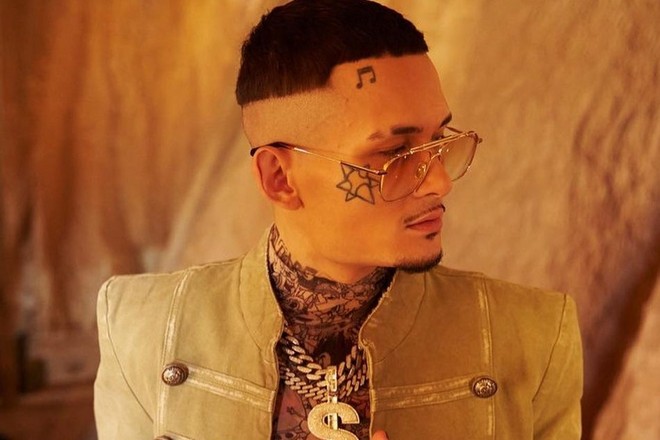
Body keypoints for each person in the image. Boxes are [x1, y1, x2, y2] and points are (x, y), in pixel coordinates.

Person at [94, 0, 583, 439]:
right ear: (279, 178)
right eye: (394, 152)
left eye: (439, 140)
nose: (439, 182)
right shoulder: (142, 327)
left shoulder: (532, 335)